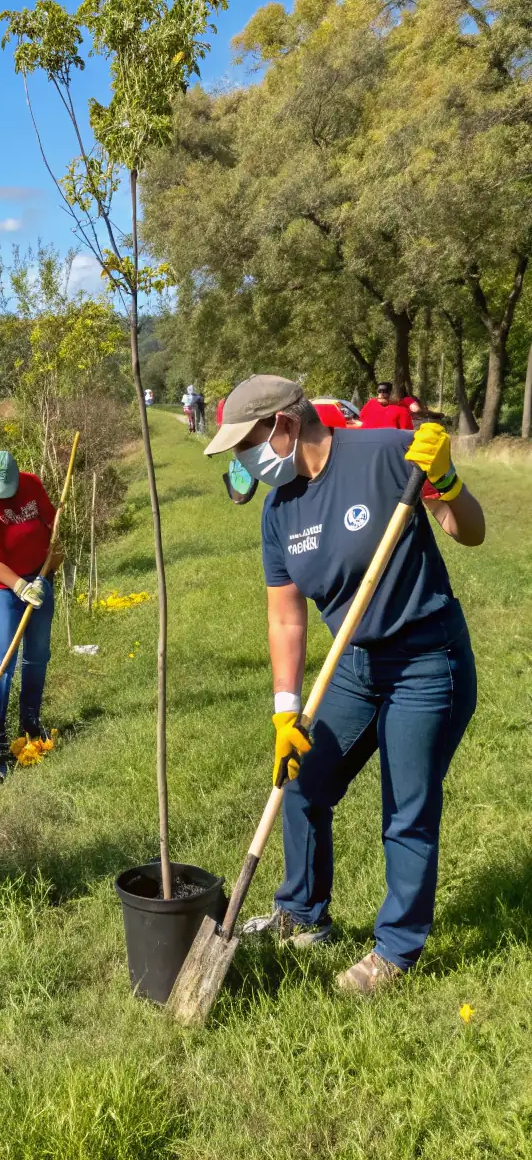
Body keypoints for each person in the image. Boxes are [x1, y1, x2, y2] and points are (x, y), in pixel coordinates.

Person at [204, 375, 484, 994]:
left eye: (244, 443)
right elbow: (285, 616)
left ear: (281, 425)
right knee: (302, 777)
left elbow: (470, 530)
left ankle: (397, 950)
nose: (241, 461)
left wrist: (450, 481)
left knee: (406, 809)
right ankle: (303, 914)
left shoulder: (387, 454)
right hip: (355, 664)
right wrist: (287, 711)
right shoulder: (279, 512)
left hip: (426, 659)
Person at [0, 451, 60, 764]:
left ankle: (30, 722)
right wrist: (19, 587)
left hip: (39, 576)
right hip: (1, 589)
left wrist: (55, 552)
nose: (2, 494)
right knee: (6, 660)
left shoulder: (32, 485)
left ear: (18, 477)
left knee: (38, 654)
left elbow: (51, 521)